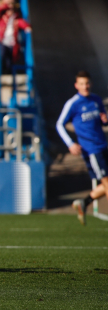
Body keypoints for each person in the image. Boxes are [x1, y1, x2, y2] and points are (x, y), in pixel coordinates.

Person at [56, 71, 108, 226]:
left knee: (106, 183)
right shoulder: (73, 103)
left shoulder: (96, 99)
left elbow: (103, 120)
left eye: (87, 83)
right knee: (106, 182)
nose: (85, 87)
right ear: (76, 85)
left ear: (90, 84)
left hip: (103, 144)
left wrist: (105, 121)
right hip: (91, 149)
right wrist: (70, 143)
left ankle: (84, 203)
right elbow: (59, 124)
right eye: (82, 84)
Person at [0, 0, 31, 73]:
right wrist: (7, 4)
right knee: (1, 54)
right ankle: (1, 71)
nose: (9, 11)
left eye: (11, 9)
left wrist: (27, 27)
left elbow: (23, 24)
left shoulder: (16, 19)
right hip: (2, 42)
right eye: (8, 10)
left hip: (12, 44)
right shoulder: (1, 17)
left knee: (11, 61)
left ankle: (9, 72)